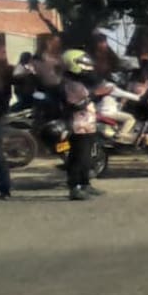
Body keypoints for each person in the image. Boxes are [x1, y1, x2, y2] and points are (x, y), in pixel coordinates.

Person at [60, 49, 100, 201]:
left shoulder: (80, 82)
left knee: (87, 158)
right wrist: (95, 96)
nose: (87, 67)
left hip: (87, 125)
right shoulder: (71, 84)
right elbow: (75, 104)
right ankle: (74, 187)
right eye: (82, 63)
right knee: (78, 158)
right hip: (78, 126)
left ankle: (85, 183)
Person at [0, 39, 13, 199]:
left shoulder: (5, 71)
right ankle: (4, 189)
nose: (4, 55)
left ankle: (5, 189)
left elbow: (5, 96)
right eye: (2, 52)